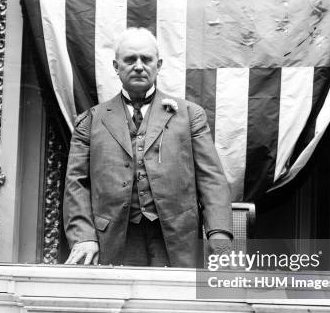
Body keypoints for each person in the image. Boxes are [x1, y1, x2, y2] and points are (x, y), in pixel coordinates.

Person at [63, 27, 232, 268]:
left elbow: (211, 178)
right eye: (130, 59)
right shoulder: (90, 121)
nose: (139, 66)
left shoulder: (189, 115)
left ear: (159, 64)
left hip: (177, 238)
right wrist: (84, 237)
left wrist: (219, 235)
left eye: (147, 59)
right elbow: (76, 184)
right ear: (115, 66)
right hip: (112, 240)